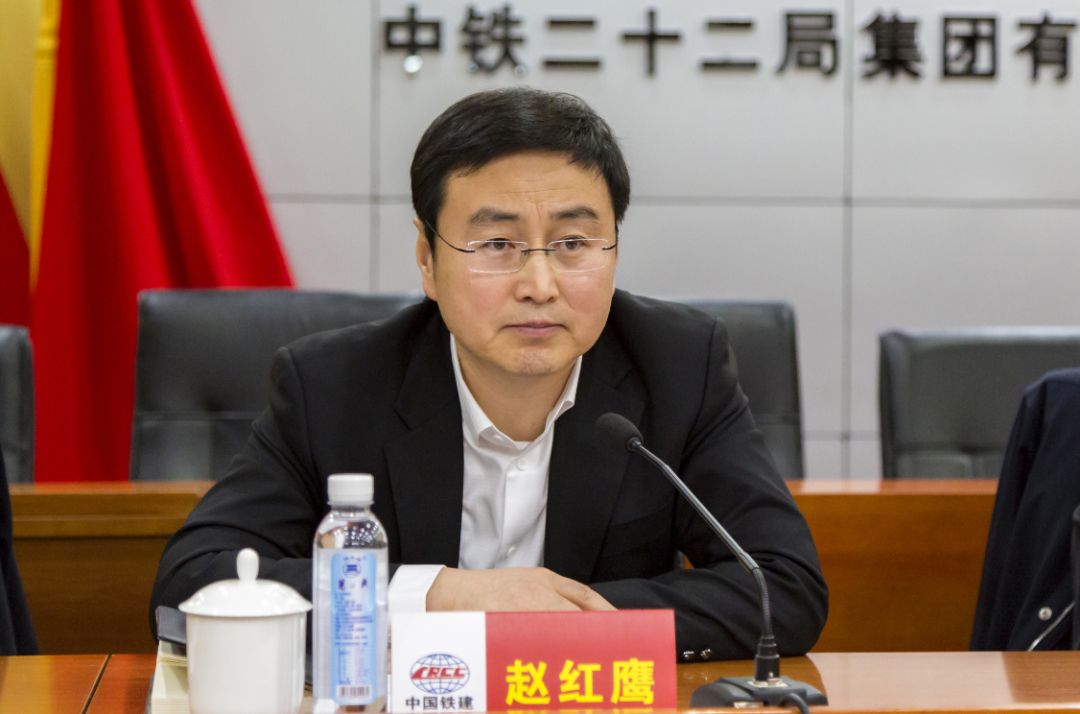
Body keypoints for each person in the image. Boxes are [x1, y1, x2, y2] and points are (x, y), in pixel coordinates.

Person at [150, 87, 827, 659]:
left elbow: (783, 587)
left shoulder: (679, 365)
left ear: (614, 249)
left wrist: (554, 624)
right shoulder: (332, 385)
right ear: (427, 258)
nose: (539, 285)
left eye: (573, 243)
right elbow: (194, 583)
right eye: (498, 244)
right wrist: (442, 596)